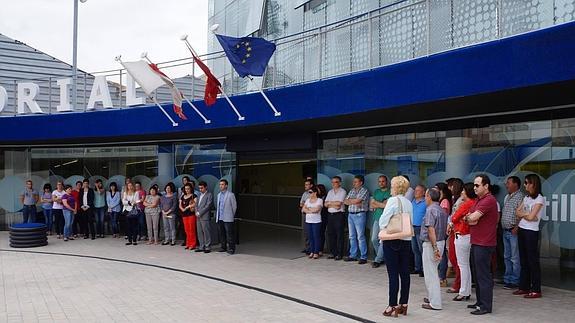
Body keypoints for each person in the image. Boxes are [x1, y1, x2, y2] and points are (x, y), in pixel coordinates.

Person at [464, 174, 499, 315]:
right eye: (474, 185)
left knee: (483, 275)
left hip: (484, 243)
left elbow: (472, 217)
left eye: (477, 185)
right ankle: (480, 302)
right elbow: (470, 218)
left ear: (486, 186)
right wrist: (470, 218)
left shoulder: (489, 200)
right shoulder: (479, 200)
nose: (474, 187)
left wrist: (470, 218)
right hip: (477, 242)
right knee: (477, 274)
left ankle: (485, 306)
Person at [379, 176, 413, 317]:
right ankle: (403, 304)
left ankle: (392, 305)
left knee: (393, 274)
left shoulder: (393, 200)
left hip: (392, 239)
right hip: (406, 239)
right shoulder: (408, 202)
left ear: (395, 187)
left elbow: (383, 221)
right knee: (405, 274)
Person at [514, 174, 544, 299]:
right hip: (522, 229)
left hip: (531, 232)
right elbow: (517, 212)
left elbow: (532, 218)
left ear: (533, 184)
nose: (525, 185)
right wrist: (528, 214)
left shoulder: (539, 199)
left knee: (532, 261)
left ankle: (536, 289)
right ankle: (524, 286)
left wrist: (525, 214)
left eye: (527, 182)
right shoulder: (526, 198)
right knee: (523, 260)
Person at [421, 188, 448, 310]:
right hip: (440, 241)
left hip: (432, 244)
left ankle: (435, 303)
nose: (424, 198)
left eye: (425, 196)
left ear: (429, 197)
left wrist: (435, 248)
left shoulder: (430, 210)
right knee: (433, 271)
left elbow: (431, 229)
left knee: (431, 274)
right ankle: (432, 297)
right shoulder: (441, 209)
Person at [448, 182, 476, 301]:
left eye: (464, 190)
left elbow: (454, 217)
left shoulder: (466, 204)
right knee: (466, 265)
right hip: (469, 235)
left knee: (463, 265)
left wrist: (452, 222)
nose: (462, 192)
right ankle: (466, 290)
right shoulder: (475, 203)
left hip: (462, 235)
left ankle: (464, 291)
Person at [501, 176, 524, 289]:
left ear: (516, 184)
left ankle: (515, 280)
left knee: (515, 257)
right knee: (507, 256)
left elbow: (523, 213)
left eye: (508, 183)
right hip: (505, 231)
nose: (506, 185)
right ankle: (507, 278)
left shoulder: (520, 197)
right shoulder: (507, 197)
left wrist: (517, 227)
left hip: (513, 231)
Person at [344, 175, 370, 264]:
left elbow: (357, 201)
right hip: (350, 215)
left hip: (360, 215)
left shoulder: (364, 190)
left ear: (361, 182)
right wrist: (355, 201)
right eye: (353, 181)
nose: (353, 183)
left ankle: (363, 256)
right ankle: (353, 255)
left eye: (355, 182)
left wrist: (353, 201)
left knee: (360, 236)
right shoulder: (352, 190)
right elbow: (345, 201)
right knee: (352, 236)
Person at [446, 178, 464, 293]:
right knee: (453, 257)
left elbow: (457, 216)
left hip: (458, 231)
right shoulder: (454, 199)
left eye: (450, 186)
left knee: (457, 259)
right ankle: (458, 282)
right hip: (453, 231)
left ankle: (459, 284)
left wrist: (451, 223)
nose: (449, 188)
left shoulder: (461, 200)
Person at [370, 175, 391, 268]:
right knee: (374, 239)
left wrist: (377, 203)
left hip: (386, 219)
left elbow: (386, 206)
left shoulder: (389, 192)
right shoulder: (376, 191)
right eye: (379, 181)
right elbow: (372, 205)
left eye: (383, 181)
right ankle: (383, 257)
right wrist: (381, 204)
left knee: (382, 240)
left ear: (386, 182)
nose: (381, 183)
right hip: (377, 217)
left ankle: (378, 260)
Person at [324, 176, 347, 260]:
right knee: (331, 234)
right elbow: (325, 204)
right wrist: (333, 203)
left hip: (339, 215)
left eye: (336, 182)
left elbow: (339, 205)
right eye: (332, 182)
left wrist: (330, 203)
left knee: (339, 234)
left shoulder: (343, 191)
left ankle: (339, 254)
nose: (334, 184)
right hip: (330, 215)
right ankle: (333, 253)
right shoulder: (330, 192)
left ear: (340, 183)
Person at [435, 182, 452, 287]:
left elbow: (443, 217)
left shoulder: (444, 201)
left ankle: (442, 277)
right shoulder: (441, 201)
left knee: (442, 254)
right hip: (441, 229)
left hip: (443, 230)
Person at [216, 179, 237, 255]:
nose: (220, 186)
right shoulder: (218, 195)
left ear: (226, 186)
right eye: (220, 184)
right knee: (222, 234)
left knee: (229, 234)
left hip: (228, 218)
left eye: (222, 184)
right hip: (220, 217)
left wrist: (231, 215)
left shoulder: (231, 195)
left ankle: (231, 248)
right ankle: (223, 247)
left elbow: (234, 207)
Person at [303, 186, 323, 259]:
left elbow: (317, 209)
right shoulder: (308, 200)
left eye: (311, 192)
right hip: (308, 221)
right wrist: (311, 210)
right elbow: (303, 209)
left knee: (316, 236)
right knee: (310, 237)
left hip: (316, 221)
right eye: (309, 192)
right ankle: (311, 251)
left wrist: (308, 209)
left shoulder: (319, 200)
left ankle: (316, 252)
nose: (309, 194)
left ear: (315, 193)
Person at [411, 185, 426, 276]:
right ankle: (417, 268)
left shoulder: (425, 202)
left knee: (422, 249)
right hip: (413, 227)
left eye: (418, 191)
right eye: (415, 190)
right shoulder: (413, 201)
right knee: (415, 249)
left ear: (423, 192)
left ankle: (424, 269)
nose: (415, 192)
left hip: (421, 228)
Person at [195, 181, 214, 253]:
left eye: (202, 188)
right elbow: (196, 205)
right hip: (198, 216)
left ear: (206, 187)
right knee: (199, 232)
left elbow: (208, 206)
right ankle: (201, 246)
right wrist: (196, 212)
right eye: (199, 188)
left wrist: (200, 212)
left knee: (206, 232)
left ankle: (207, 247)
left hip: (205, 216)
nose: (200, 189)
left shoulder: (209, 195)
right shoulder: (199, 195)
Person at [179, 183, 198, 250]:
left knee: (191, 229)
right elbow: (180, 204)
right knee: (186, 230)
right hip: (184, 215)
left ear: (191, 189)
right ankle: (188, 243)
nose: (187, 190)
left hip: (191, 214)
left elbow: (195, 204)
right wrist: (182, 209)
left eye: (188, 189)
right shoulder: (182, 196)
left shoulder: (194, 196)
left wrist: (187, 207)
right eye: (186, 189)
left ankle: (193, 244)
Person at [299, 179, 314, 253]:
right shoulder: (304, 194)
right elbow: (301, 204)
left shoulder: (313, 193)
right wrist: (306, 205)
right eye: (305, 184)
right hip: (304, 214)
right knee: (305, 231)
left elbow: (313, 205)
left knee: (310, 231)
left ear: (311, 185)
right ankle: (307, 247)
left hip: (311, 214)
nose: (305, 186)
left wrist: (306, 205)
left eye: (307, 184)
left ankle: (311, 248)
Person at [177, 176, 191, 246]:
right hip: (181, 212)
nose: (184, 181)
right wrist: (181, 209)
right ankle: (185, 241)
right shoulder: (180, 190)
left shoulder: (193, 194)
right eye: (183, 180)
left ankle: (191, 242)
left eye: (185, 180)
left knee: (190, 228)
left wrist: (185, 208)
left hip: (189, 212)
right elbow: (179, 201)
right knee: (183, 228)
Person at [316, 184, 329, 256]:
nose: (317, 191)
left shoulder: (325, 197)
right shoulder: (316, 197)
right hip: (316, 217)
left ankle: (321, 249)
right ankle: (315, 248)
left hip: (323, 217)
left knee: (321, 233)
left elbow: (324, 207)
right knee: (316, 233)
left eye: (318, 189)